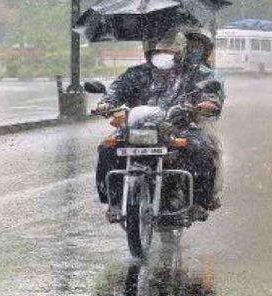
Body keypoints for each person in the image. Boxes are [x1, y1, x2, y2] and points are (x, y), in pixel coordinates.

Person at [94, 26, 224, 220]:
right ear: (149, 52)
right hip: (137, 127)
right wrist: (105, 103)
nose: (163, 54)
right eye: (158, 50)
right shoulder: (136, 74)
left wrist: (207, 102)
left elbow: (210, 92)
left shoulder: (193, 73)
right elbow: (116, 90)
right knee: (107, 149)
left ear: (179, 51)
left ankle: (198, 201)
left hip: (180, 126)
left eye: (168, 50)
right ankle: (113, 202)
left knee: (200, 148)